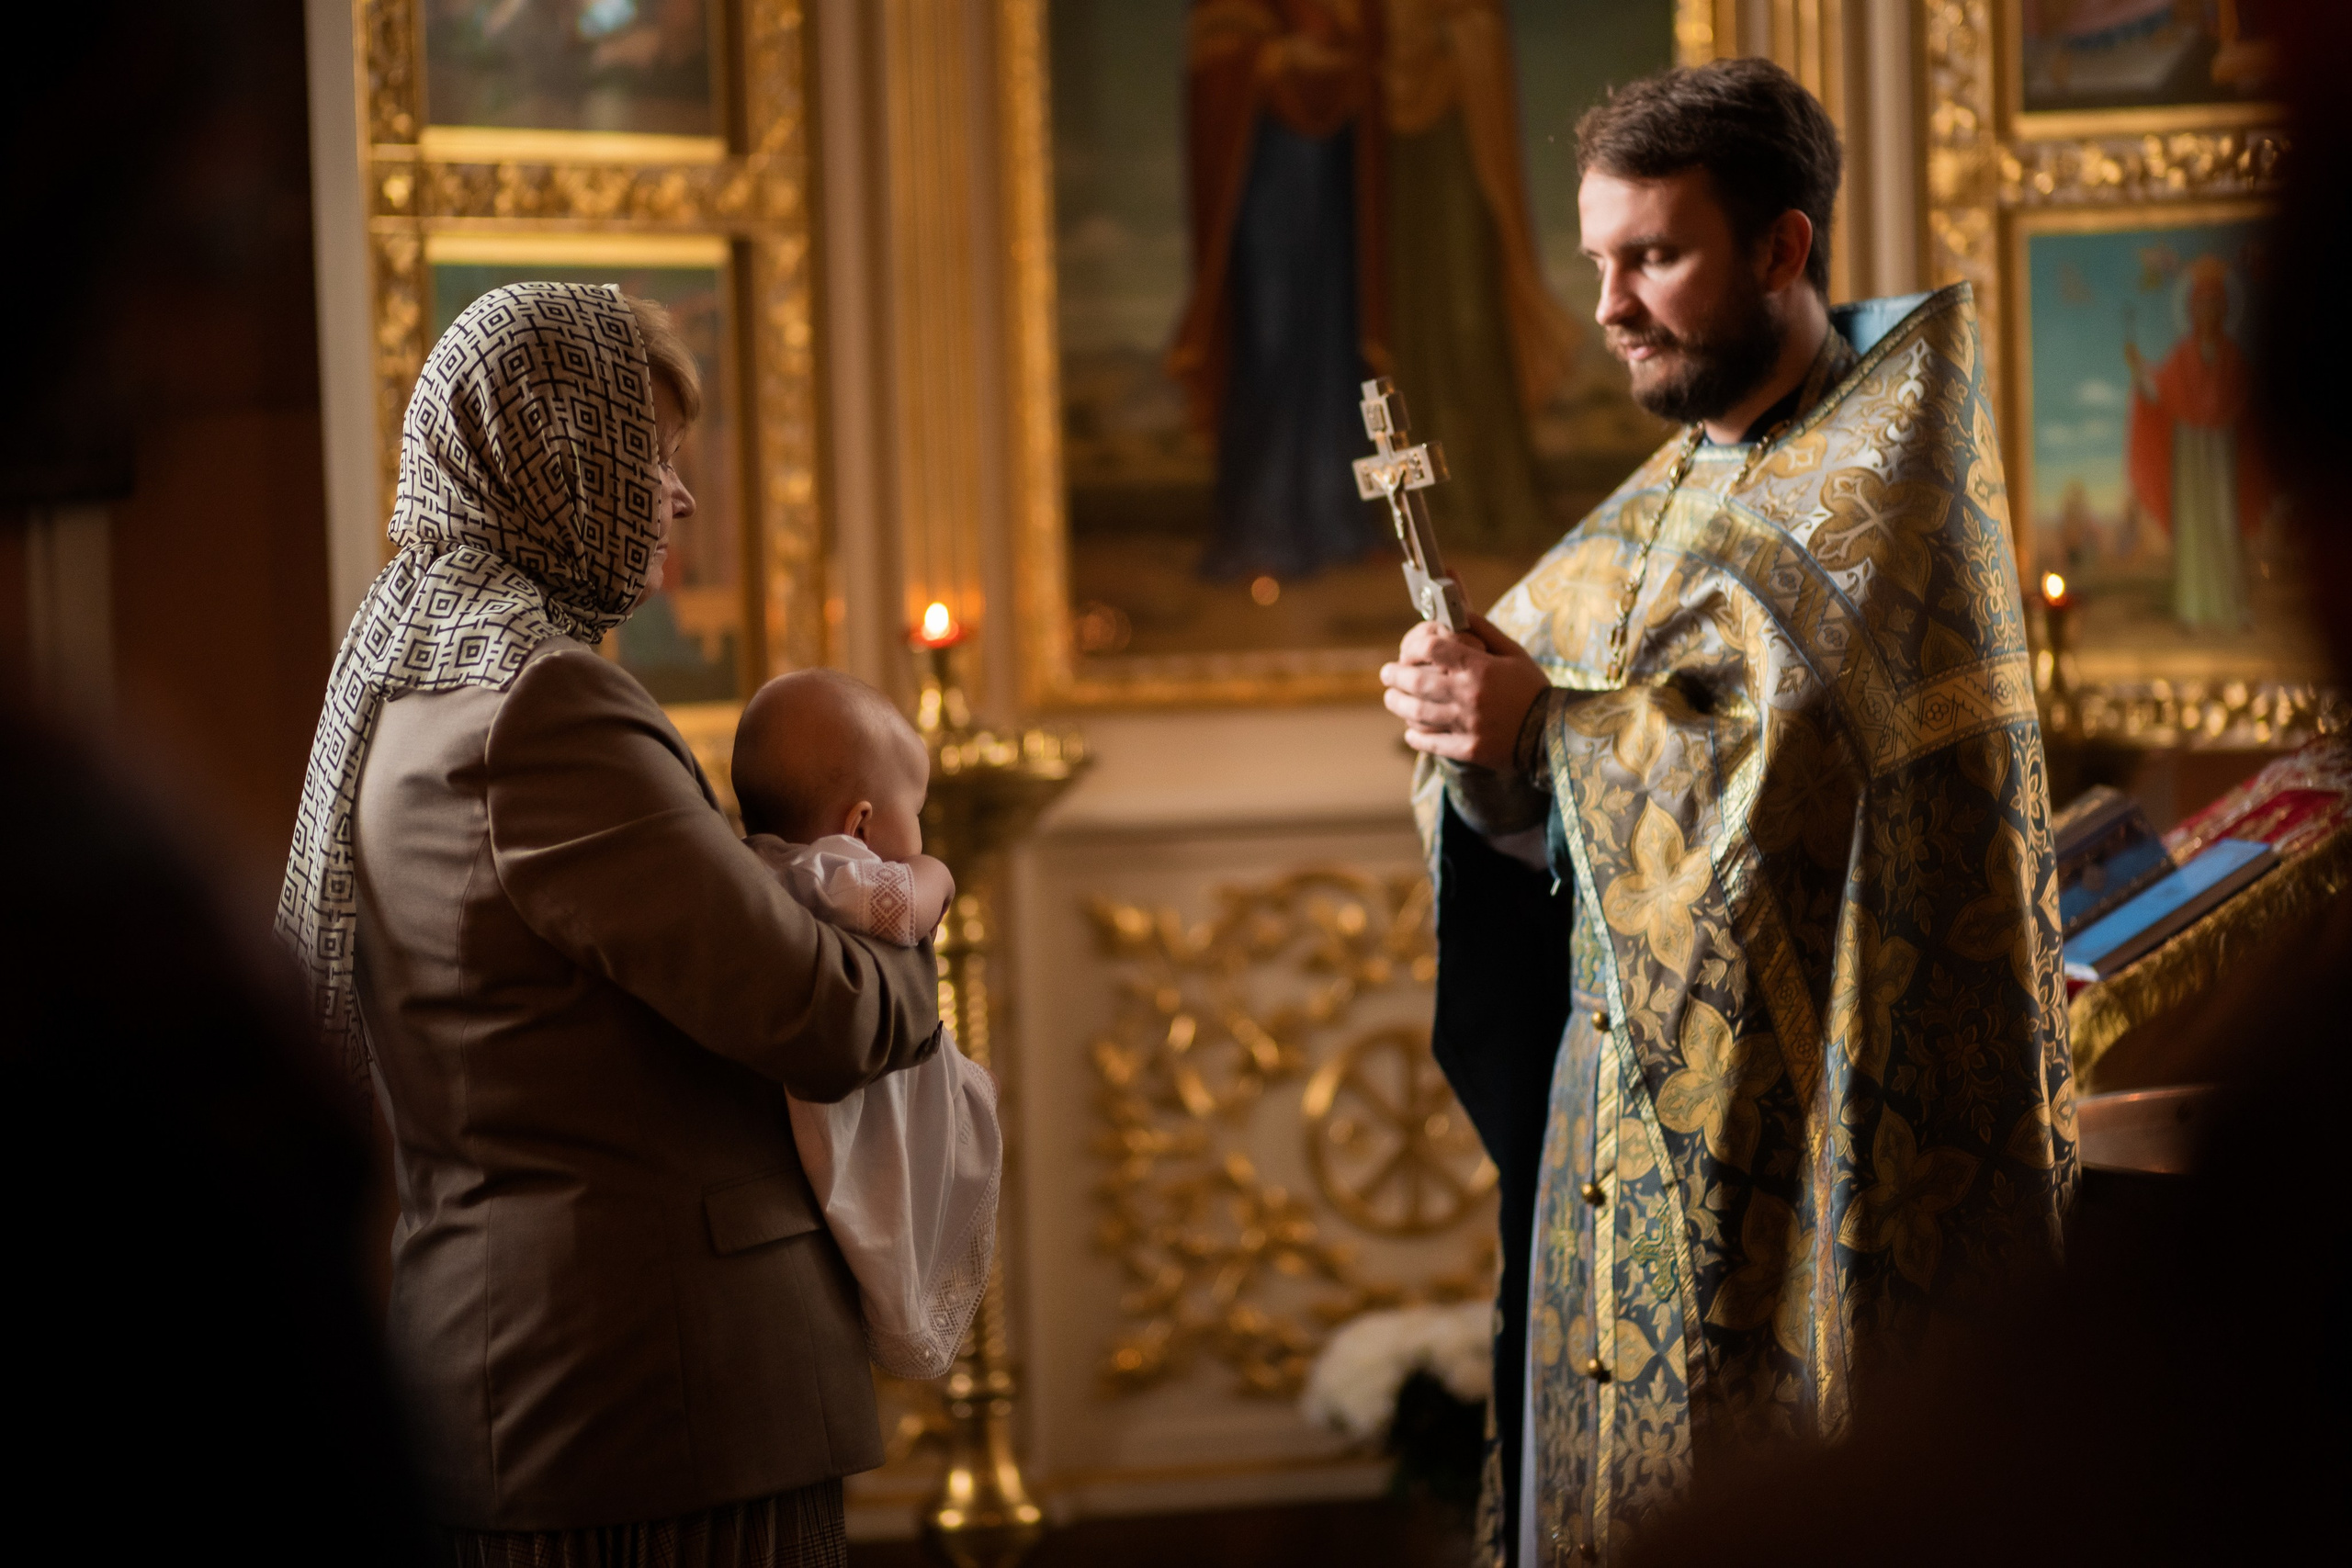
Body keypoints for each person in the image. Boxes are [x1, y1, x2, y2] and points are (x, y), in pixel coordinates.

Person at [1376, 61, 2075, 1567]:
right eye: (1598, 263)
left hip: (1818, 1146)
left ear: (1781, 247)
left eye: (1655, 256)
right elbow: (1549, 810)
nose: (1611, 305)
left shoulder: (1880, 485)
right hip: (1619, 1155)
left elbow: (1785, 791)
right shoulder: (1665, 497)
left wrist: (1548, 731)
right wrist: (1480, 749)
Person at [278, 282, 943, 1564]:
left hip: (556, 1385)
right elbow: (824, 1015)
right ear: (547, 461)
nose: (680, 497)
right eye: (648, 455)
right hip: (649, 1397)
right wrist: (905, 889)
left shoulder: (416, 680)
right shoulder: (544, 708)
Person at [729, 669, 1002, 1382]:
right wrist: (938, 871)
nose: (920, 834)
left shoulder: (758, 865)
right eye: (916, 811)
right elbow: (906, 911)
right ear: (859, 822)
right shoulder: (834, 870)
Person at [2124, 254, 2273, 630]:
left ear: (2222, 310)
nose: (2207, 312)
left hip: (2222, 454)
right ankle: (2192, 606)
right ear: (2193, 311)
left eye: (2214, 305)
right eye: (2201, 305)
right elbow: (2159, 390)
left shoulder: (2232, 355)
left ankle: (2230, 605)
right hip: (2189, 455)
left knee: (2223, 524)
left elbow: (2249, 391)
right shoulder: (2183, 355)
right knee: (2194, 527)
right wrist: (2140, 368)